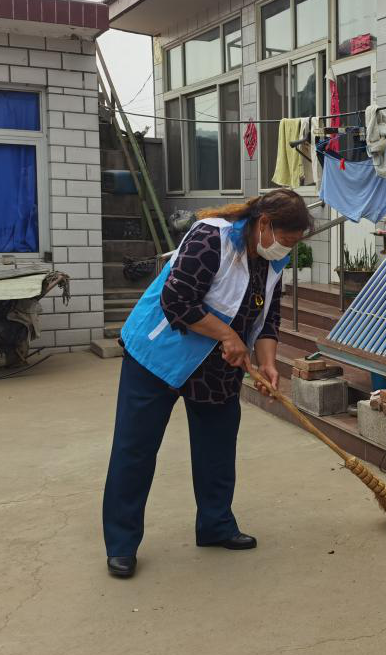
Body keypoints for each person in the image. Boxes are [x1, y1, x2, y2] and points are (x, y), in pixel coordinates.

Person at [101, 189, 312, 579]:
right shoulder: (209, 237)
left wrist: (267, 364)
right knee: (135, 449)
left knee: (217, 448)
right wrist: (228, 337)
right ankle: (121, 543)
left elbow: (269, 318)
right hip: (158, 357)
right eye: (287, 240)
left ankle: (216, 525)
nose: (288, 249)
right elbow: (177, 300)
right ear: (264, 225)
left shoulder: (272, 262)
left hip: (216, 369)